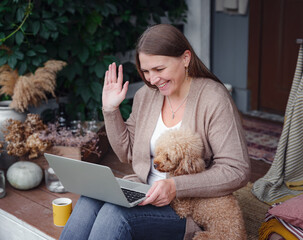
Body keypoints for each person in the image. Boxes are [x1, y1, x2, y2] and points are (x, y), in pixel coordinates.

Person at [60, 24, 250, 240]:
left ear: (185, 59)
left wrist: (175, 186)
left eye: (159, 69)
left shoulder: (213, 98)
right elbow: (127, 153)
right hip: (143, 190)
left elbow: (237, 170)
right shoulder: (146, 96)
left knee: (115, 214)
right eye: (146, 71)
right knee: (90, 199)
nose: (152, 79)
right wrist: (111, 110)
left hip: (187, 206)